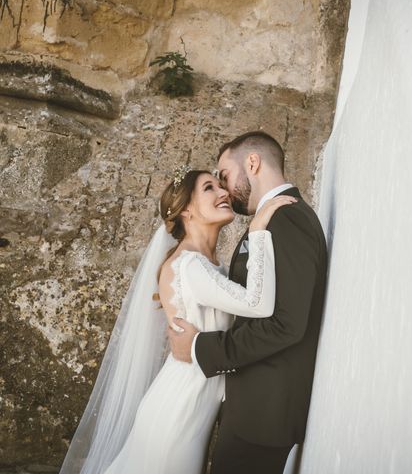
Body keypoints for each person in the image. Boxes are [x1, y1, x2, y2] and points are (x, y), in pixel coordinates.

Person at [60, 167, 295, 474]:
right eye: (210, 188)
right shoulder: (189, 267)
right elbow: (257, 303)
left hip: (194, 408)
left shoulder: (209, 265)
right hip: (178, 411)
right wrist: (259, 229)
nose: (224, 192)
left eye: (221, 186)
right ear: (186, 209)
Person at [168, 131, 328, 474]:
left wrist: (201, 347)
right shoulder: (274, 218)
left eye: (224, 175)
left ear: (252, 162)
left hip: (265, 414)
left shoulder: (288, 219)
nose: (225, 189)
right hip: (253, 410)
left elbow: (286, 324)